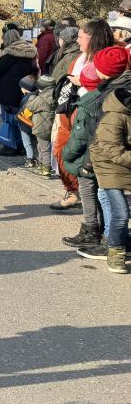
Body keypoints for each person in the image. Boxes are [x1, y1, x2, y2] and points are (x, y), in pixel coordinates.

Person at [60, 46, 130, 255]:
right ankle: (112, 238)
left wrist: (69, 156)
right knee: (108, 198)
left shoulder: (102, 98)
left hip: (102, 156)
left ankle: (109, 240)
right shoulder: (121, 88)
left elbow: (86, 134)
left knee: (106, 198)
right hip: (111, 153)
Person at [50, 21, 112, 211]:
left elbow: (107, 83)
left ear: (93, 38)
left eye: (81, 37)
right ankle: (72, 191)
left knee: (84, 157)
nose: (77, 40)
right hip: (69, 108)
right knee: (61, 150)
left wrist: (81, 81)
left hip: (90, 112)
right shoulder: (79, 57)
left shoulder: (107, 58)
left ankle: (91, 207)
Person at [88, 60, 131, 273]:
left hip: (125, 164)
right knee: (121, 214)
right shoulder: (114, 117)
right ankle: (115, 252)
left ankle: (123, 242)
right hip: (108, 167)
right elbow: (114, 152)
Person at [0, 30, 37, 157]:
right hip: (23, 89)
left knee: (9, 119)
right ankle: (21, 145)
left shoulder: (9, 54)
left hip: (9, 91)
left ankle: (10, 145)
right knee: (20, 119)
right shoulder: (29, 52)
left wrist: (1, 56)